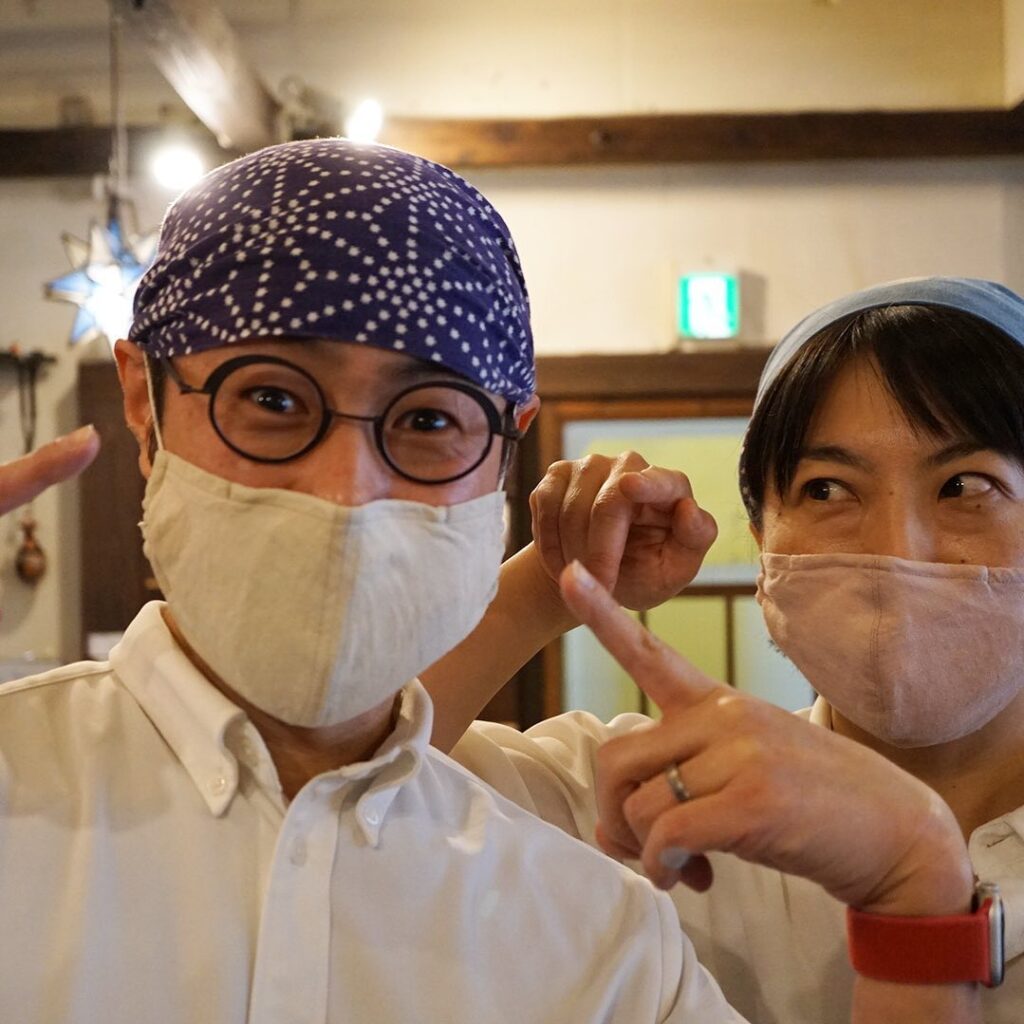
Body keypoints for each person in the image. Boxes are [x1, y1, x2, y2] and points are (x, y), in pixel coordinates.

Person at [0, 141, 980, 1021]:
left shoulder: (598, 929)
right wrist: (551, 586)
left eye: (428, 420)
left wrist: (913, 883)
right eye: (270, 397)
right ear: (143, 400)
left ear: (506, 446)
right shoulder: (606, 807)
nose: (346, 491)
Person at [434, 276, 1024, 1023]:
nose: (896, 549)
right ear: (762, 544)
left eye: (966, 484)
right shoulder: (640, 802)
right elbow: (337, 779)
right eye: (826, 490)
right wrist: (549, 586)